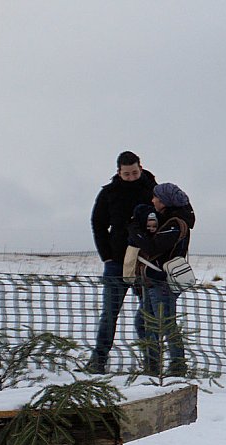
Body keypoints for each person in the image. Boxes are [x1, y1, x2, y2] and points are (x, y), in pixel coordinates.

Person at [87, 151, 157, 373]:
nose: (131, 177)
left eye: (134, 173)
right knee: (109, 313)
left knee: (148, 316)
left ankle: (152, 362)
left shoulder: (153, 191)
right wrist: (106, 255)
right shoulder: (109, 193)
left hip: (145, 262)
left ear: (141, 168)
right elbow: (97, 224)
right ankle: (98, 360)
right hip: (116, 261)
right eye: (126, 174)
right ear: (118, 171)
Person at [128, 183, 195, 376]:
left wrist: (135, 232)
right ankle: (153, 365)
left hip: (162, 282)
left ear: (165, 201)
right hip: (153, 281)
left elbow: (153, 247)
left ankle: (177, 366)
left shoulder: (175, 223)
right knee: (145, 323)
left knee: (166, 324)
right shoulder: (167, 220)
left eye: (156, 197)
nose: (153, 200)